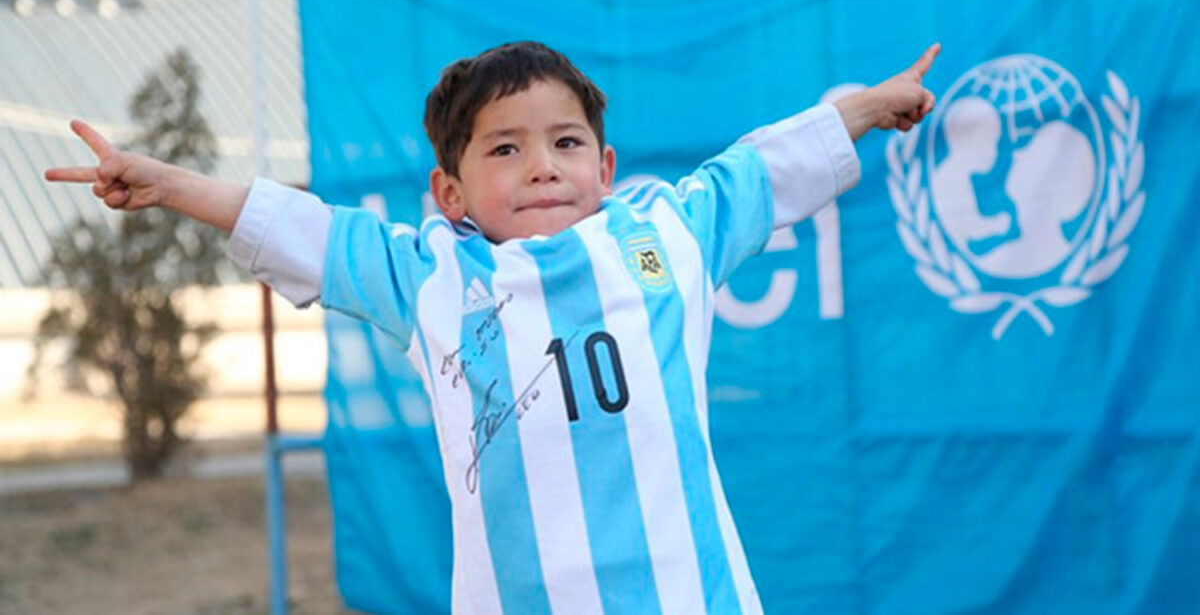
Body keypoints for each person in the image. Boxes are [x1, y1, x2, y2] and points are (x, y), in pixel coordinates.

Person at [47, 40, 940, 614]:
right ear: (452, 192)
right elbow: (300, 227)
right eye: (505, 148)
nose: (543, 166)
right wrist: (165, 183)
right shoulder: (430, 275)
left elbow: (763, 167)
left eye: (566, 142)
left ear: (606, 166)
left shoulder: (667, 230)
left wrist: (869, 105)